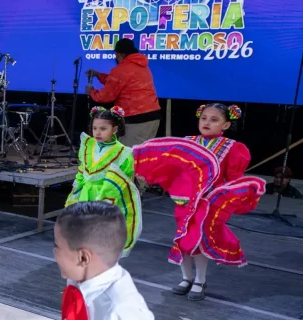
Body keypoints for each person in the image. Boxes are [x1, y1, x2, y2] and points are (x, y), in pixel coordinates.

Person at [133, 104, 265, 301]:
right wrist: (150, 172)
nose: (207, 122)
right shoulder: (188, 143)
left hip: (208, 203)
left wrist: (232, 196)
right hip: (185, 201)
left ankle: (200, 280)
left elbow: (233, 178)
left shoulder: (232, 148)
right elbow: (172, 167)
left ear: (226, 125)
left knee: (198, 239)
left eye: (214, 120)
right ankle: (186, 278)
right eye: (204, 118)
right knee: (182, 238)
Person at [66, 106, 142, 256]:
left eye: (103, 129)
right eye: (95, 128)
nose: (97, 132)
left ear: (114, 129)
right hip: (86, 193)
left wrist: (109, 197)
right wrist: (76, 187)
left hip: (106, 196)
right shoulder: (88, 144)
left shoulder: (123, 152)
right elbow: (82, 169)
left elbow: (125, 181)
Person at [86, 38, 161, 147]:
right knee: (143, 154)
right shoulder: (142, 66)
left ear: (118, 54)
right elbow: (118, 81)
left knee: (127, 154)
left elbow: (105, 96)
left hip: (136, 120)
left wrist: (92, 92)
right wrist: (99, 75)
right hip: (152, 118)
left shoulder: (121, 70)